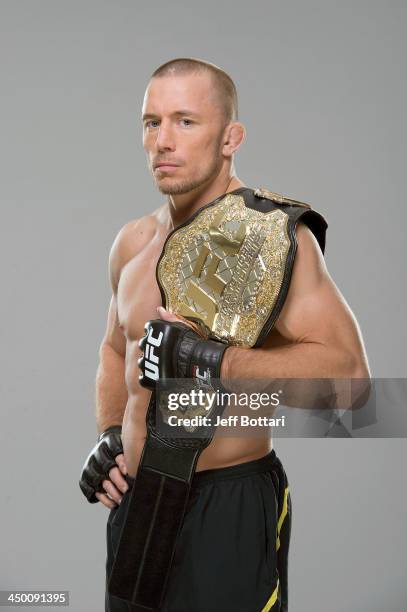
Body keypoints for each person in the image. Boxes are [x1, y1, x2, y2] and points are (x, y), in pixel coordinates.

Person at [79, 58, 370, 612]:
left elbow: (352, 386)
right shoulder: (131, 243)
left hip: (227, 500)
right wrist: (111, 435)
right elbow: (116, 348)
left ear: (230, 137)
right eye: (151, 122)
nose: (163, 140)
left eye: (185, 122)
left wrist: (211, 359)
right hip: (139, 507)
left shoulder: (271, 236)